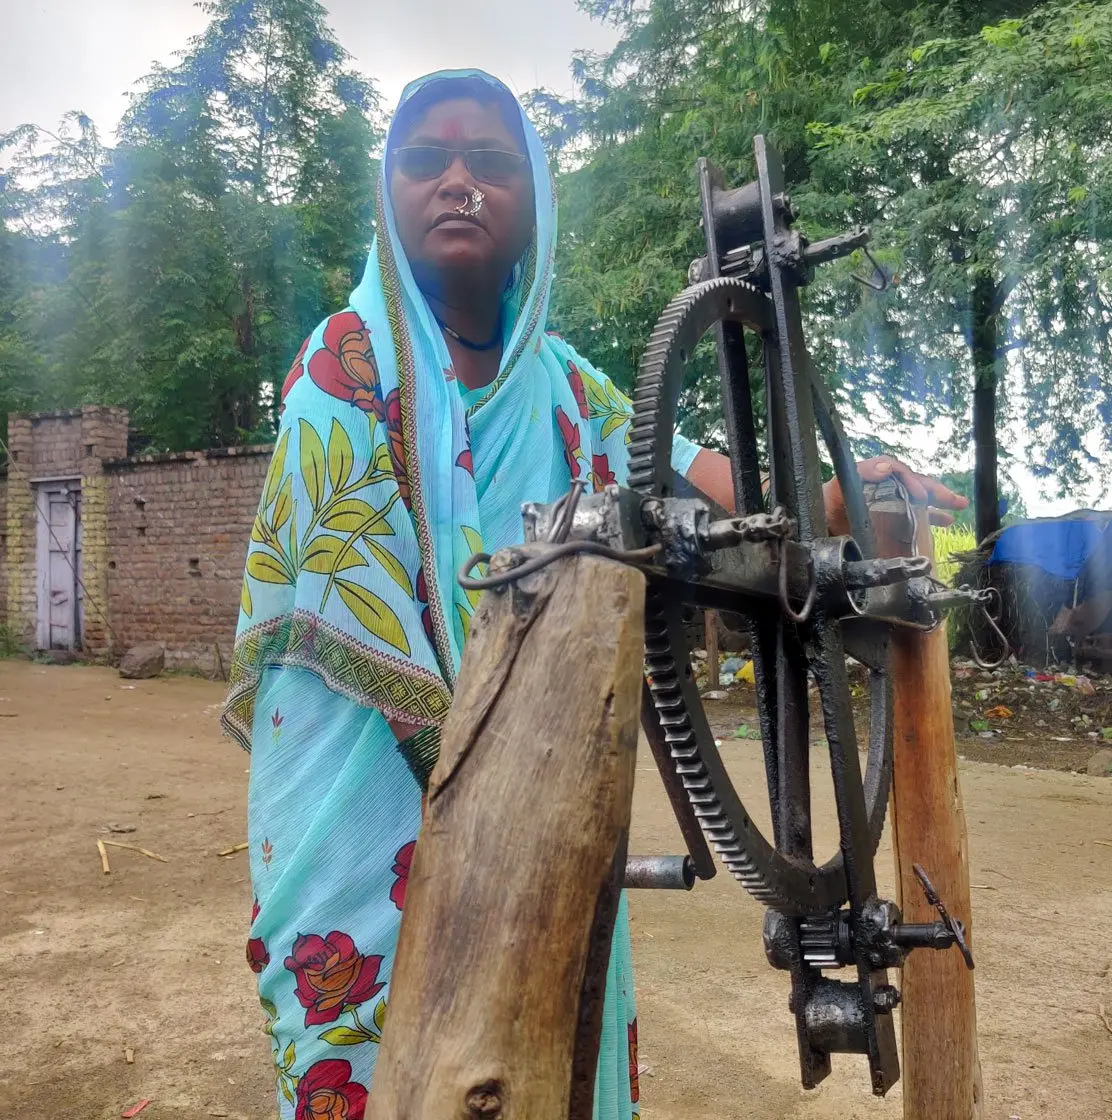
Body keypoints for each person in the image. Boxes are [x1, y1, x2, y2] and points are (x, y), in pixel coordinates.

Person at [222, 69, 966, 1120]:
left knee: (540, 1060)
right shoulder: (339, 374)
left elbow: (734, 496)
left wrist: (846, 495)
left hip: (548, 816)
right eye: (424, 161)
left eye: (490, 163)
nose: (457, 183)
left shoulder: (577, 395)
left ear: (537, 206)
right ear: (386, 196)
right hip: (363, 830)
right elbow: (354, 602)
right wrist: (488, 790)